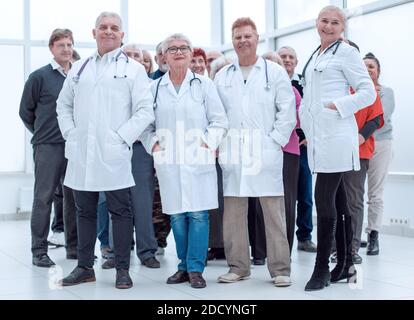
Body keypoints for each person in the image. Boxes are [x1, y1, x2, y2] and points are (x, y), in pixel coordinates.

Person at [56, 12, 154, 289]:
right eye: (103, 27)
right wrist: (71, 134)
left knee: (120, 211)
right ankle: (85, 267)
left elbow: (145, 110)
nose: (108, 31)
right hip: (82, 151)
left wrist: (121, 137)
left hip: (114, 152)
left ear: (122, 34)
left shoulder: (133, 69)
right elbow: (63, 106)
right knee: (84, 211)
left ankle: (122, 268)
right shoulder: (79, 68)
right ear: (94, 32)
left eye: (114, 28)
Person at [141, 33, 228, 289]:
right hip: (169, 162)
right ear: (164, 56)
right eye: (172, 49)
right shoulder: (154, 88)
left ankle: (195, 268)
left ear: (191, 55)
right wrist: (153, 145)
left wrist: (207, 143)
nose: (178, 52)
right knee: (177, 216)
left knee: (199, 214)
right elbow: (145, 125)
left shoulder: (204, 85)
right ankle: (183, 265)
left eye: (184, 48)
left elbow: (219, 121)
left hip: (198, 160)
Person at [299, 6, 376, 291]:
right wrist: (306, 121)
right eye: (324, 21)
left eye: (335, 23)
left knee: (324, 200)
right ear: (316, 22)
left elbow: (367, 92)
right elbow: (310, 94)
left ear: (342, 27)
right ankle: (345, 265)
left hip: (337, 137)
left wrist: (337, 106)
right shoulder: (315, 54)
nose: (328, 26)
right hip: (319, 138)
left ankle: (321, 269)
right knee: (342, 202)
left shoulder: (347, 53)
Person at [215, 17, 296, 287]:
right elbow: (217, 114)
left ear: (257, 38)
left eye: (247, 36)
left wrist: (275, 141)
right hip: (234, 151)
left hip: (265, 150)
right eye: (237, 37)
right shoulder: (222, 75)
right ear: (233, 41)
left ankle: (280, 268)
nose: (242, 41)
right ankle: (238, 266)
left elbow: (287, 111)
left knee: (273, 213)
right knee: (234, 213)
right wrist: (221, 145)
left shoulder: (273, 71)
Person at [19, 28, 77, 267]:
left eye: (69, 44)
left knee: (74, 198)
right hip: (48, 146)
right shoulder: (39, 77)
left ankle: (74, 249)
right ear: (52, 48)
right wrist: (43, 134)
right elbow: (25, 112)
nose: (66, 49)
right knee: (43, 198)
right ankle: (39, 251)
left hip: (74, 146)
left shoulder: (80, 75)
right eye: (61, 45)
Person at [247, 51, 302, 263]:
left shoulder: (291, 91)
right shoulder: (253, 90)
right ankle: (260, 252)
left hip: (286, 151)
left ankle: (283, 253)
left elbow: (296, 120)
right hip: (258, 152)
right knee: (258, 203)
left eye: (274, 64)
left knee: (285, 203)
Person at [122, 42, 161, 269]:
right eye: (129, 55)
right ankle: (118, 251)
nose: (134, 58)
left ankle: (147, 252)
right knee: (116, 202)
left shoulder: (152, 86)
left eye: (138, 55)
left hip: (140, 149)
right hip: (116, 148)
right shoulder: (112, 82)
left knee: (143, 202)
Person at [278, 45, 317, 253]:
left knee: (304, 192)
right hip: (279, 147)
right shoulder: (273, 82)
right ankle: (279, 238)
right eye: (282, 56)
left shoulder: (305, 83)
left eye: (290, 56)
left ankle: (304, 236)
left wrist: (308, 136)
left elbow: (311, 110)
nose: (286, 59)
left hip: (300, 146)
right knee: (282, 195)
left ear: (296, 61)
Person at [365, 52, 395, 256]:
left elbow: (380, 117)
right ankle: (352, 236)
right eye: (364, 67)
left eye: (371, 67)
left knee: (375, 193)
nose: (367, 70)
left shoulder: (386, 92)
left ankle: (373, 235)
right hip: (358, 144)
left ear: (378, 71)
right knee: (354, 194)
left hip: (380, 144)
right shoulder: (353, 91)